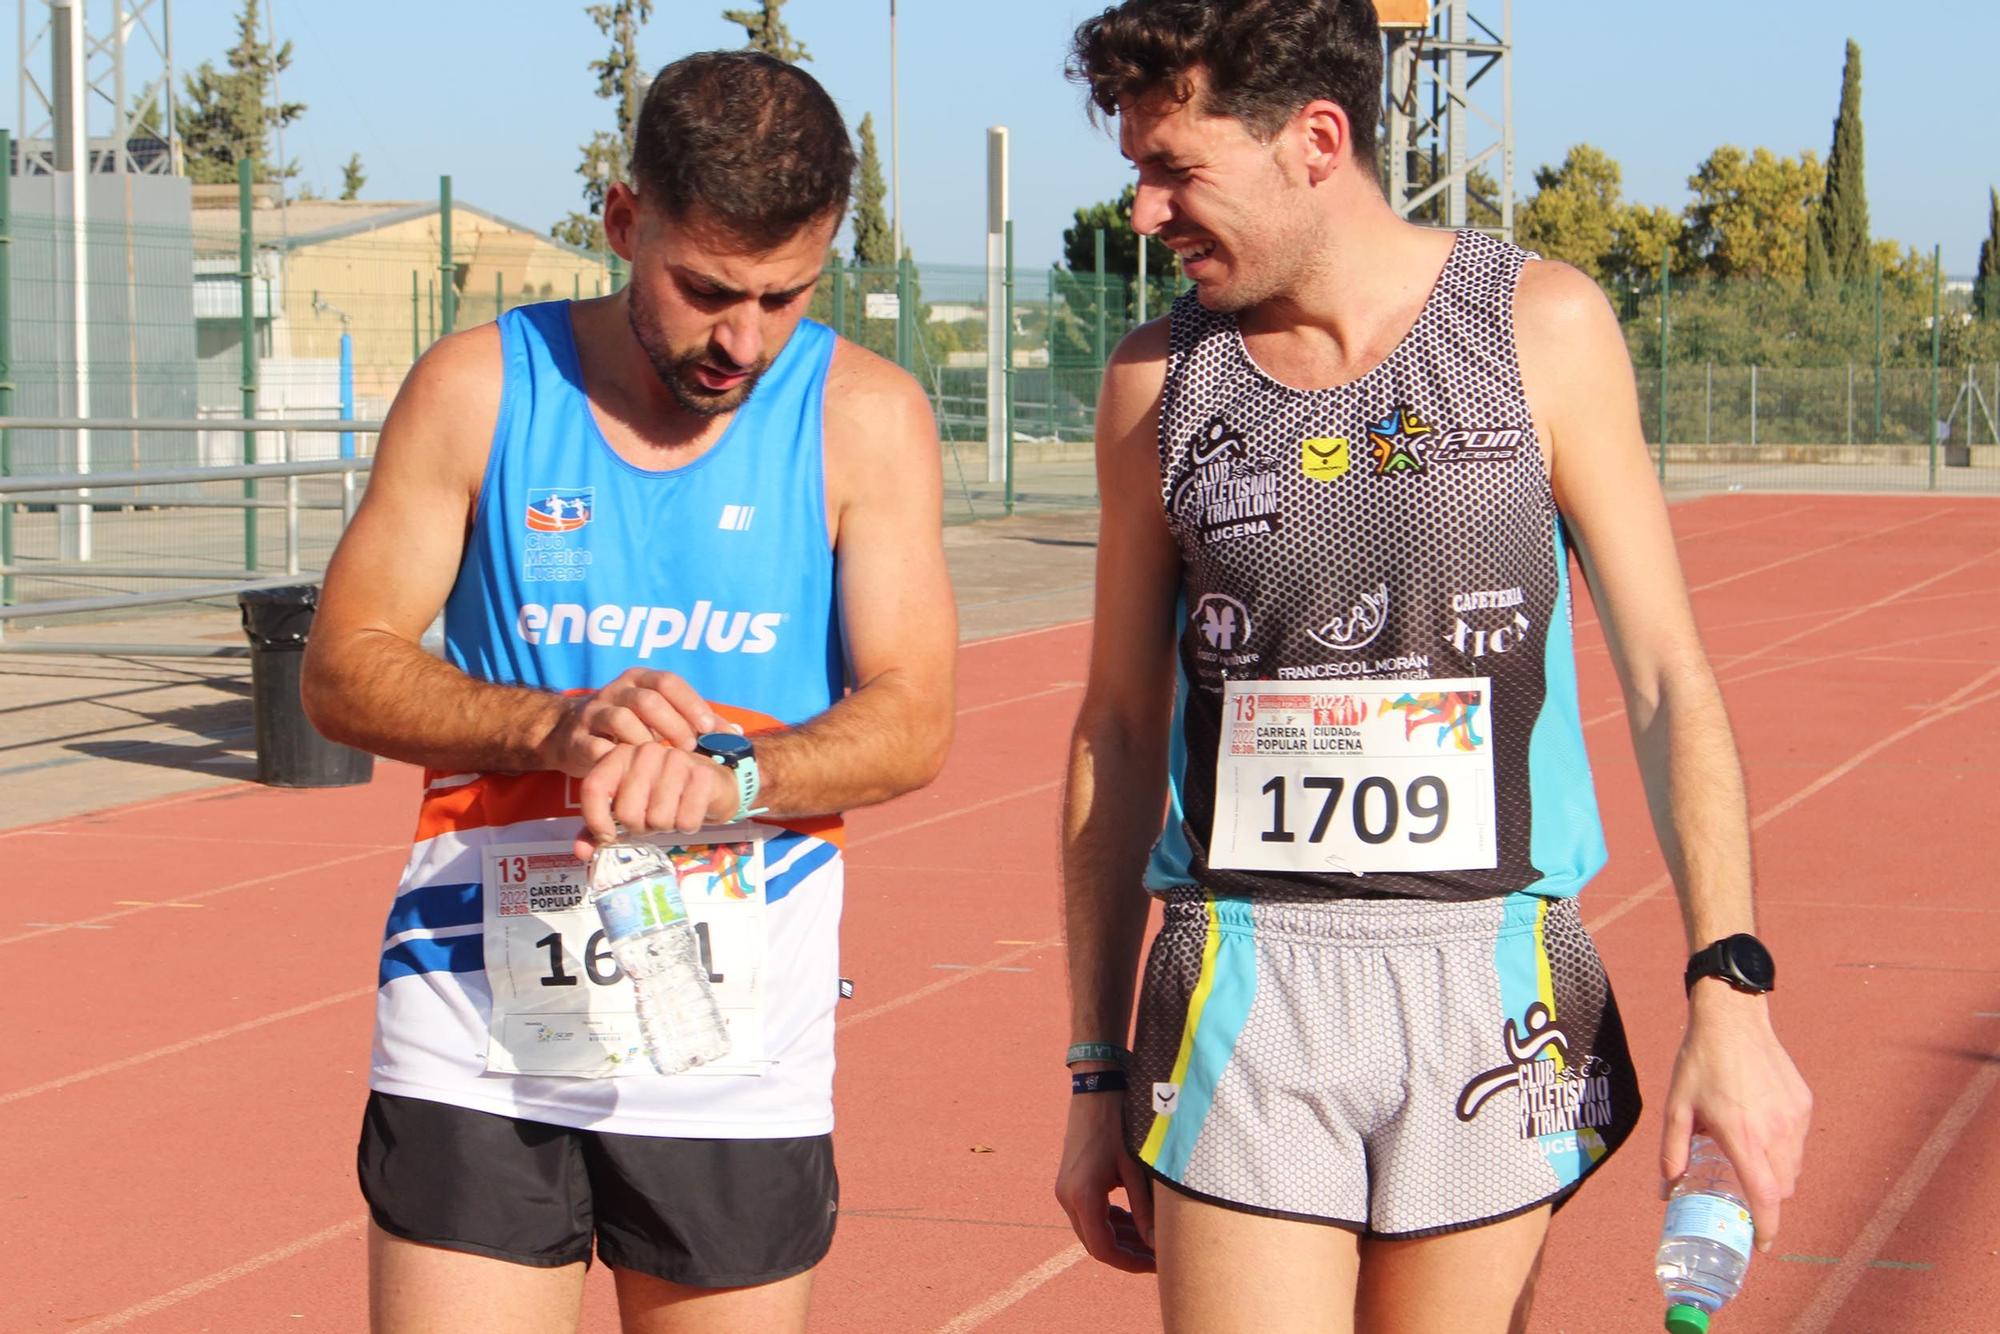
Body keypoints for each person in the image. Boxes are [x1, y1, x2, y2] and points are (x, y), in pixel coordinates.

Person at [1050, 4, 1812, 1331]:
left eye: (1176, 167)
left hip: (1492, 977)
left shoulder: (1540, 328)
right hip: (1244, 974)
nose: (1144, 208)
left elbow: (1669, 679)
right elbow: (1117, 731)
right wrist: (1089, 1067)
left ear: (1315, 140)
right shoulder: (1156, 383)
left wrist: (1729, 985)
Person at [302, 50, 957, 1334]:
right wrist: (545, 720)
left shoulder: (863, 417)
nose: (743, 339)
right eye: (707, 290)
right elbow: (341, 663)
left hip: (730, 1043)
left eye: (784, 295)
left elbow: (916, 715)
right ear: (621, 222)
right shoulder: (479, 386)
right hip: (474, 1014)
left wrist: (736, 776)